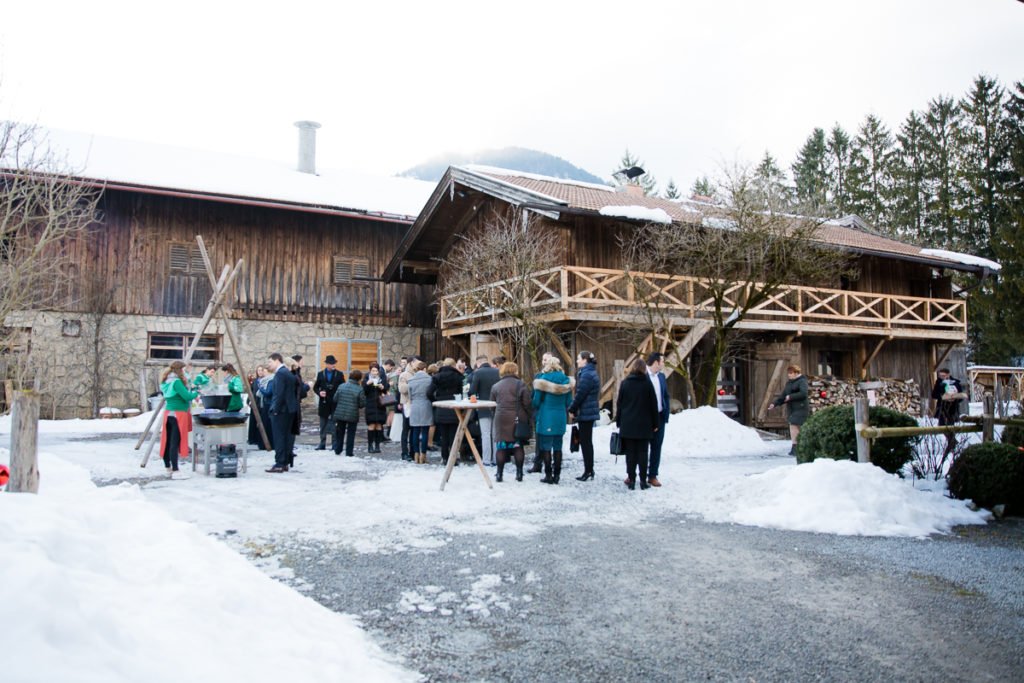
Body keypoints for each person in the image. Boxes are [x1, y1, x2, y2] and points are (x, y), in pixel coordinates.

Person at [616, 359, 660, 490]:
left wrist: (619, 421)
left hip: (628, 424)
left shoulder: (625, 384)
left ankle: (631, 479)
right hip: (644, 424)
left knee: (630, 453)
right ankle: (642, 480)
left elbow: (620, 404)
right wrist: (655, 423)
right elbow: (653, 405)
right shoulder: (647, 384)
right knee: (643, 453)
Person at [532, 355, 573, 484]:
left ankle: (548, 475)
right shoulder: (566, 381)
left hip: (546, 416)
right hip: (560, 416)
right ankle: (557, 475)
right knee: (558, 446)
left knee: (546, 446)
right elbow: (569, 402)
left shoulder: (542, 380)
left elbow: (536, 402)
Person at [491, 361, 533, 482]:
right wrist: (530, 417)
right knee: (518, 446)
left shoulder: (496, 386)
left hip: (501, 418)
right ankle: (519, 474)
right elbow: (527, 403)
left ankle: (499, 474)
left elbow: (492, 404)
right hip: (517, 419)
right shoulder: (521, 385)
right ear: (515, 371)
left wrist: (496, 415)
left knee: (501, 447)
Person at [159, 360, 198, 479]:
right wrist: (195, 393)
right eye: (183, 369)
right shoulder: (176, 382)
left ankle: (168, 468)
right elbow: (186, 396)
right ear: (179, 370)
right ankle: (175, 470)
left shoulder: (166, 379)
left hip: (169, 413)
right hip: (178, 413)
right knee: (174, 443)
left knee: (167, 441)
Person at [568, 350, 600, 481]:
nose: (577, 361)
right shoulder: (590, 372)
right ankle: (589, 469)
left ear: (585, 360)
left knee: (586, 443)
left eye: (579, 359)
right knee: (587, 442)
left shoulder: (587, 375)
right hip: (589, 411)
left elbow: (581, 394)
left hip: (586, 412)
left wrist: (572, 408)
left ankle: (588, 470)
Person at [266, 352, 299, 473]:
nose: (268, 365)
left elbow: (279, 394)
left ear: (277, 361)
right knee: (286, 437)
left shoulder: (280, 374)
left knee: (279, 437)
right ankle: (284, 462)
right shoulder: (287, 373)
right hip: (289, 409)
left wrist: (275, 409)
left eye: (270, 362)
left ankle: (280, 463)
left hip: (281, 411)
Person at [768, 364, 810, 456]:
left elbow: (803, 393)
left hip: (801, 408)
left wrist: (790, 396)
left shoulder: (802, 381)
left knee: (794, 425)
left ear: (796, 373)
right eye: (788, 373)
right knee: (797, 427)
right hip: (792, 409)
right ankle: (798, 447)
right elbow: (783, 396)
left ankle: (797, 447)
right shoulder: (789, 383)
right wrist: (774, 404)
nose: (789, 375)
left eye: (791, 373)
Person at [428, 358, 463, 465]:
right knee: (453, 435)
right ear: (453, 365)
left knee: (443, 435)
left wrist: (436, 401)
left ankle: (444, 457)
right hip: (454, 407)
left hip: (441, 407)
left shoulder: (437, 377)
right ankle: (453, 458)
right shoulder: (458, 376)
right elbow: (461, 393)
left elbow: (429, 392)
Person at [469, 354, 501, 465]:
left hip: (483, 407)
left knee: (486, 435)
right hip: (496, 406)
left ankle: (487, 460)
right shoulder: (497, 371)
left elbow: (472, 391)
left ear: (478, 363)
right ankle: (496, 459)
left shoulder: (478, 373)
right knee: (495, 435)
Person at [645, 352, 671, 487]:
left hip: (660, 416)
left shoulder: (661, 377)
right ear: (656, 362)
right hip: (645, 418)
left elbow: (665, 395)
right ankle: (635, 474)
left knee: (656, 446)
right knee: (642, 447)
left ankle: (653, 475)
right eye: (662, 361)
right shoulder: (643, 376)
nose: (663, 363)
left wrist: (666, 413)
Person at [313, 355, 345, 451]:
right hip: (324, 402)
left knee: (335, 423)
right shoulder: (320, 374)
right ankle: (322, 443)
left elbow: (343, 387)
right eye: (331, 363)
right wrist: (319, 393)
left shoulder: (339, 374)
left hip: (335, 403)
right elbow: (315, 387)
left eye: (334, 363)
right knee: (323, 424)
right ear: (327, 364)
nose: (333, 365)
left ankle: (334, 444)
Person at [331, 369, 365, 457]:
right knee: (351, 433)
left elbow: (335, 399)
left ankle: (338, 449)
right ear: (359, 379)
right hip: (352, 414)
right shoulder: (359, 389)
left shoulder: (341, 386)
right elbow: (362, 404)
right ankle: (349, 452)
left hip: (340, 413)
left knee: (340, 432)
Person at [406, 361, 434, 463]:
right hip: (426, 405)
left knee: (415, 431)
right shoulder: (430, 379)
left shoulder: (411, 380)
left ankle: (416, 455)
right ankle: (423, 455)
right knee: (425, 431)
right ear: (425, 369)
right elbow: (432, 393)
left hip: (415, 406)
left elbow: (410, 396)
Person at [363, 363, 390, 453]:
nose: (374, 372)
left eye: (376, 371)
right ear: (370, 371)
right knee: (371, 424)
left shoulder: (382, 378)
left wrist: (383, 387)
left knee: (379, 424)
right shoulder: (366, 378)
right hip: (370, 404)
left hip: (380, 404)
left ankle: (377, 446)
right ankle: (370, 446)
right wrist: (367, 384)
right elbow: (363, 391)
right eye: (373, 371)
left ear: (379, 371)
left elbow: (386, 388)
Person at [397, 357, 417, 461]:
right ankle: (404, 452)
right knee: (406, 429)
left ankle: (413, 452)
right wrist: (413, 385)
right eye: (415, 362)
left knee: (414, 430)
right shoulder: (404, 375)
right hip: (407, 404)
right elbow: (401, 389)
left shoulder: (418, 373)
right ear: (411, 363)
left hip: (416, 404)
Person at [383, 359, 400, 440]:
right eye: (392, 367)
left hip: (386, 394)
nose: (392, 369)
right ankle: (390, 431)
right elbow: (396, 388)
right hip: (392, 395)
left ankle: (388, 429)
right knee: (391, 413)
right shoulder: (394, 376)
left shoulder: (386, 374)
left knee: (388, 413)